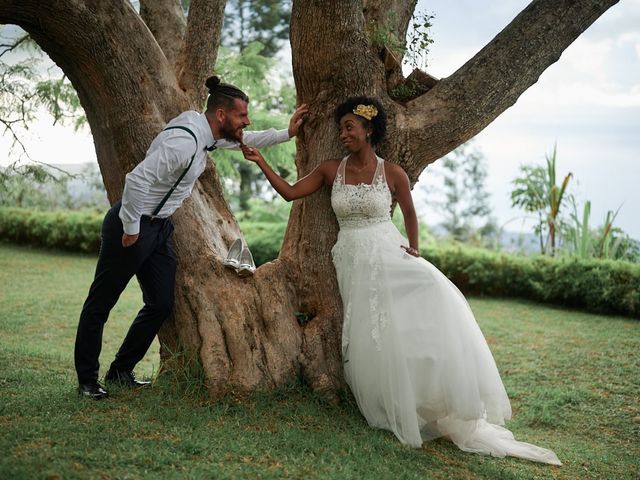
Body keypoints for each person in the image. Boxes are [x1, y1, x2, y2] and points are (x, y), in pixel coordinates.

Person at [241, 96, 561, 465]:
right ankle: (389, 401)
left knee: (430, 291)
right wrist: (261, 160)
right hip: (352, 257)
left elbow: (409, 212)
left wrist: (415, 249)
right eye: (341, 128)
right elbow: (291, 193)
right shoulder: (331, 169)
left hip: (387, 249)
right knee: (370, 331)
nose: (343, 134)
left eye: (349, 127)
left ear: (368, 130)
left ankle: (435, 396)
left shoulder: (392, 173)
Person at [75, 76, 308, 400]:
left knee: (160, 303)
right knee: (101, 303)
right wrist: (131, 230)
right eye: (242, 115)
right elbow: (136, 180)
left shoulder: (207, 133)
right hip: (132, 226)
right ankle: (87, 380)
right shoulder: (184, 142)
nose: (247, 121)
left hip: (160, 229)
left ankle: (120, 371)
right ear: (222, 115)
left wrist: (287, 133)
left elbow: (247, 138)